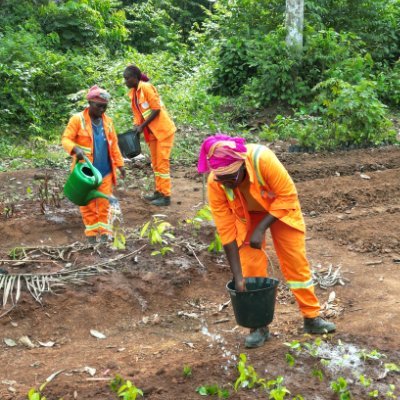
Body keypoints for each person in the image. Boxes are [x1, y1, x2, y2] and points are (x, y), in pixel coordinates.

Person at [198, 134, 336, 348]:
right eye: (221, 179)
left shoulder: (263, 159)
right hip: (247, 216)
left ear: (242, 165)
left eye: (231, 178)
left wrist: (261, 228)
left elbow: (288, 195)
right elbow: (226, 231)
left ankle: (311, 318)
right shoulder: (216, 183)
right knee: (250, 267)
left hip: (280, 209)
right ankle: (258, 326)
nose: (226, 183)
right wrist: (238, 277)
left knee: (295, 263)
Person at [62, 85, 126, 244]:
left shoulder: (108, 122)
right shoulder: (78, 120)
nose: (102, 109)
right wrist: (74, 149)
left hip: (105, 171)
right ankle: (91, 233)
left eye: (105, 106)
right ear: (90, 103)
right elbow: (66, 139)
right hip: (86, 173)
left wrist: (120, 165)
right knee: (88, 203)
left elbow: (114, 145)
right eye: (99, 106)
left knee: (104, 203)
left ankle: (105, 233)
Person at [123, 64, 176, 206]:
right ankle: (158, 192)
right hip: (152, 133)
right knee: (156, 164)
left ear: (134, 78)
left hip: (163, 131)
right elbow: (137, 113)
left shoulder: (146, 87)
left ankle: (166, 196)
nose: (125, 81)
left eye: (127, 78)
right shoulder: (133, 93)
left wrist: (142, 126)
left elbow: (156, 109)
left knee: (162, 163)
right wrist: (137, 125)